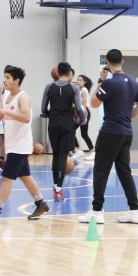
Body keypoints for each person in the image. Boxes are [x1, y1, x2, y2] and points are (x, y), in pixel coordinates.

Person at [78, 49, 138, 225]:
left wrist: (101, 80)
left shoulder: (109, 83)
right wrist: (127, 117)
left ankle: (96, 211)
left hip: (110, 132)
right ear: (122, 61)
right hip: (126, 132)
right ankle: (135, 211)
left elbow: (93, 103)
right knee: (124, 171)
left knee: (101, 170)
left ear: (107, 63)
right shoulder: (133, 82)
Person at [0, 65, 50, 223]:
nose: (5, 80)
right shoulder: (6, 97)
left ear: (17, 80)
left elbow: (25, 117)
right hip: (12, 144)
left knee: (6, 178)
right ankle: (41, 204)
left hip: (21, 145)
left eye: (8, 78)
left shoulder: (23, 97)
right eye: (5, 77)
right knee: (25, 176)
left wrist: (5, 112)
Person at [41, 62, 86, 202]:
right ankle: (59, 191)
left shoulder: (49, 87)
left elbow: (43, 109)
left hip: (53, 124)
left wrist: (52, 115)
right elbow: (79, 108)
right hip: (67, 125)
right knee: (62, 156)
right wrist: (82, 120)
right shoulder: (74, 88)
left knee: (56, 156)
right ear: (69, 73)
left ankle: (56, 187)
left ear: (58, 72)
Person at [75, 74, 94, 152]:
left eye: (80, 80)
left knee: (83, 133)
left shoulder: (84, 90)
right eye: (77, 80)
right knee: (73, 131)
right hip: (78, 111)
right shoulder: (78, 90)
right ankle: (77, 148)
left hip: (84, 112)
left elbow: (84, 104)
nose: (78, 81)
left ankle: (90, 149)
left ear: (84, 82)